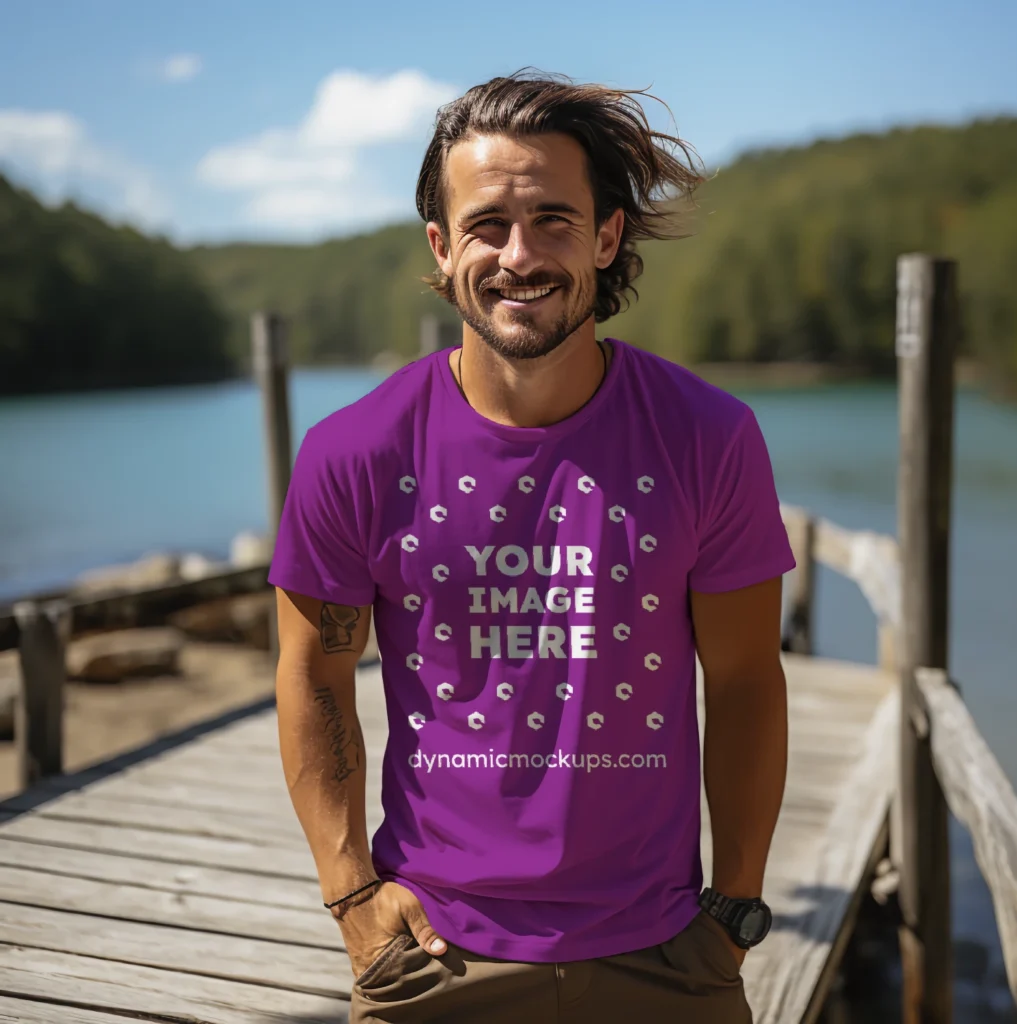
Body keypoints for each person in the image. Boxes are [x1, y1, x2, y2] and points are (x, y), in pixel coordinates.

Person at [269, 70, 794, 1024]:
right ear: (442, 247)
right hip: (433, 953)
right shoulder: (354, 453)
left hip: (666, 951)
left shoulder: (707, 438)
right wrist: (352, 899)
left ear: (607, 236)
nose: (520, 255)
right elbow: (312, 671)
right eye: (487, 225)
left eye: (555, 219)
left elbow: (749, 677)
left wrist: (736, 909)